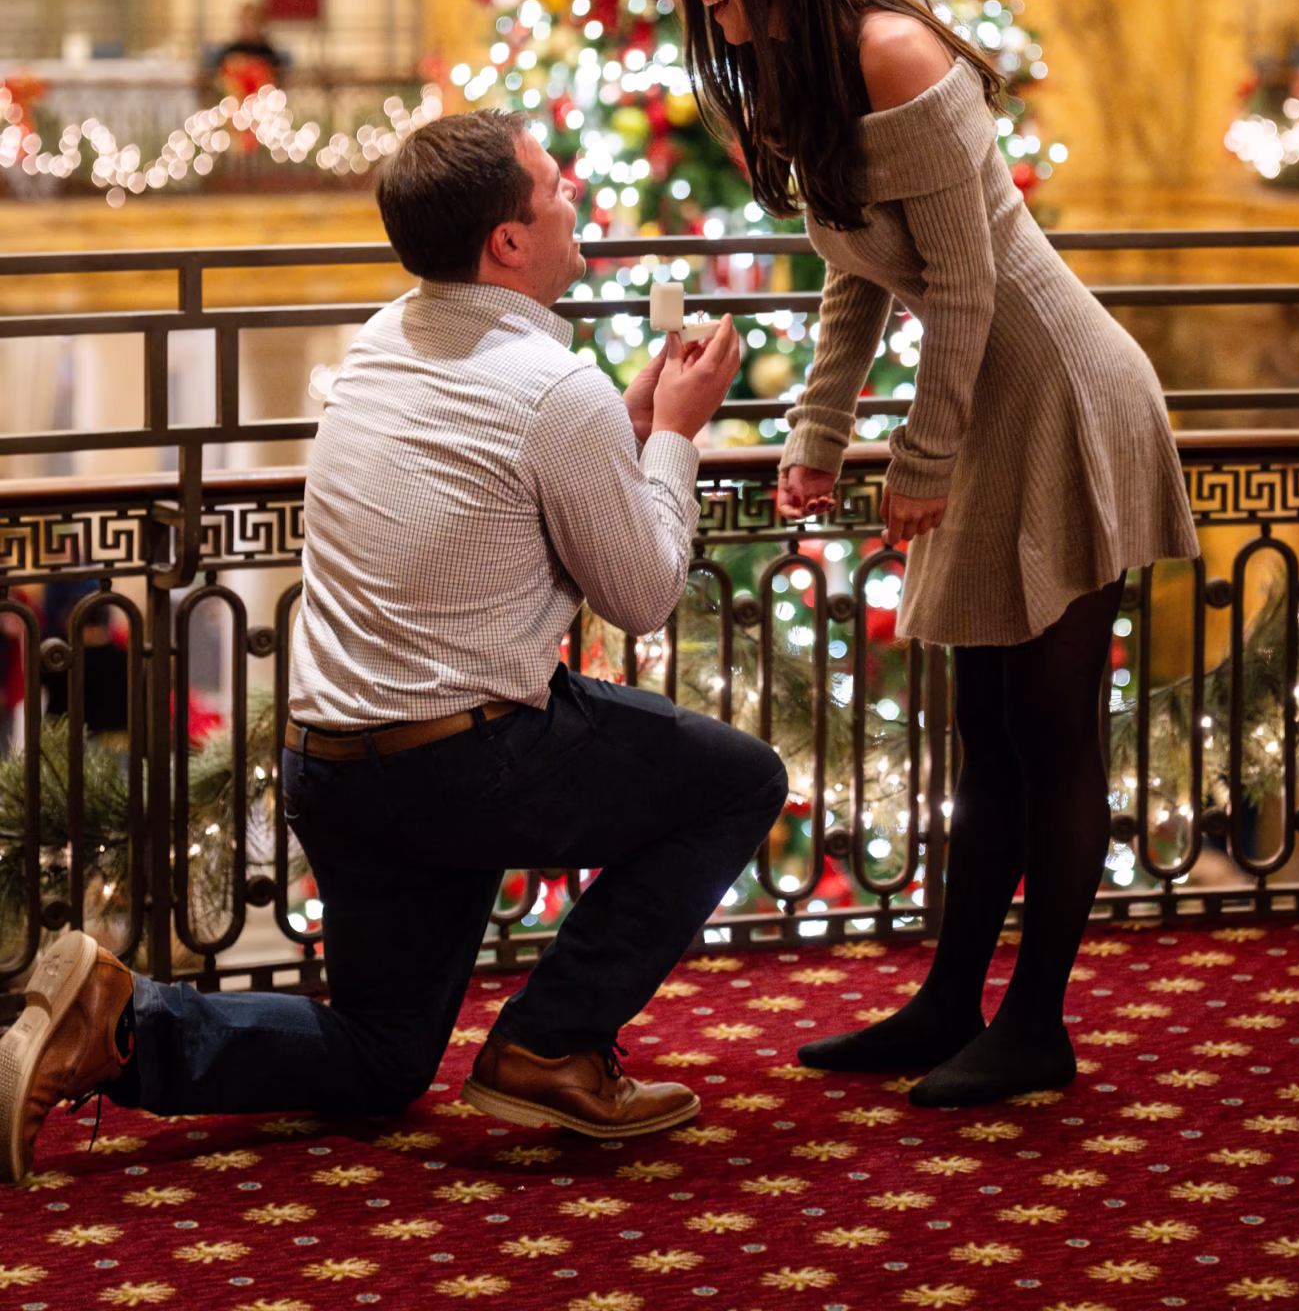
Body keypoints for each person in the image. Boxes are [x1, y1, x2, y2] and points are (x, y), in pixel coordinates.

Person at [1, 110, 785, 1182]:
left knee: (382, 1057)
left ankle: (123, 1020)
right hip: (467, 767)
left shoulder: (380, 340)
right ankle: (552, 1043)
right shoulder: (558, 391)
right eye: (553, 186)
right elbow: (643, 594)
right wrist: (678, 436)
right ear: (506, 241)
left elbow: (498, 501)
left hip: (332, 762)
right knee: (740, 779)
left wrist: (631, 434)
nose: (571, 200)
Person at [667, 0, 1198, 1109]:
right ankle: (952, 1001)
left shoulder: (892, 50)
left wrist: (919, 455)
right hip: (987, 390)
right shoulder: (794, 66)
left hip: (1056, 390)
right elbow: (861, 273)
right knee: (980, 726)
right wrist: (814, 437)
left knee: (1045, 724)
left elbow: (960, 285)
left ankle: (1035, 1024)